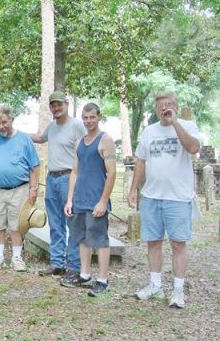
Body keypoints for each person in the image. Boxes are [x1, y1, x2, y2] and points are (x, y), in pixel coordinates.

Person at [128, 91, 200, 309]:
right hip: (152, 195)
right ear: (156, 108)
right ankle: (155, 285)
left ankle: (178, 290)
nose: (165, 108)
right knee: (153, 241)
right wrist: (134, 189)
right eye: (161, 105)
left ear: (175, 107)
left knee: (178, 243)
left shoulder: (187, 127)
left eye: (169, 104)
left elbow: (193, 148)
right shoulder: (149, 131)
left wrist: (175, 123)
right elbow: (141, 161)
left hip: (178, 196)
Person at [0, 104, 40, 272]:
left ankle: (17, 258)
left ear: (12, 119)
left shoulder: (24, 139)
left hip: (19, 189)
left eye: (4, 122)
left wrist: (33, 189)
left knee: (17, 224)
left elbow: (34, 165)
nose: (1, 126)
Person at [62, 103, 116, 295]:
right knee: (82, 238)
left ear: (99, 117)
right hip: (80, 199)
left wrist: (103, 201)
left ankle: (103, 280)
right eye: (85, 118)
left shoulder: (105, 140)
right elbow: (75, 172)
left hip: (96, 200)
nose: (88, 121)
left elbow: (111, 174)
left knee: (99, 240)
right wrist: (70, 200)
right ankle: (84, 274)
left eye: (92, 117)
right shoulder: (79, 142)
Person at [31, 91, 86, 279]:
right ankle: (57, 263)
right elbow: (40, 138)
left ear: (67, 104)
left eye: (59, 104)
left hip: (69, 178)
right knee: (55, 223)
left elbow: (86, 150)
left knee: (73, 223)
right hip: (52, 178)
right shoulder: (52, 126)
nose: (56, 108)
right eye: (53, 105)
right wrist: (17, 133)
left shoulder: (77, 126)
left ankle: (74, 265)